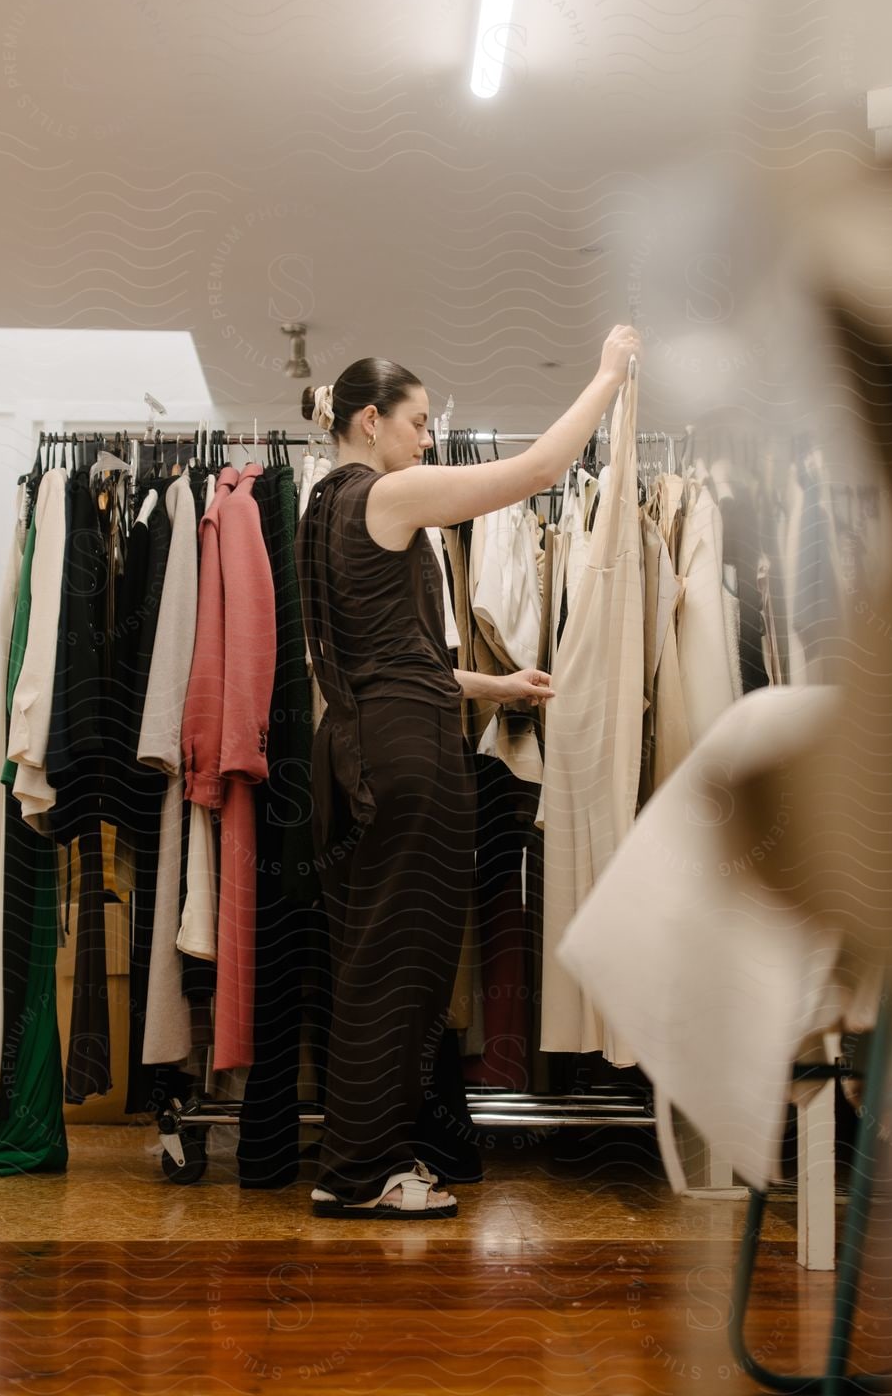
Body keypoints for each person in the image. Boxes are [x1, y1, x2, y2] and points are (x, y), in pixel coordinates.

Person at [296, 324, 643, 1219]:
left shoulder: (322, 511)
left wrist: (497, 684)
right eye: (416, 424)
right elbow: (533, 473)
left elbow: (390, 659)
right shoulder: (388, 492)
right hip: (406, 758)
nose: (426, 443)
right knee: (398, 968)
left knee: (381, 960)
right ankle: (357, 1173)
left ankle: (364, 1158)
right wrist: (606, 375)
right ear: (369, 422)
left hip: (362, 748)